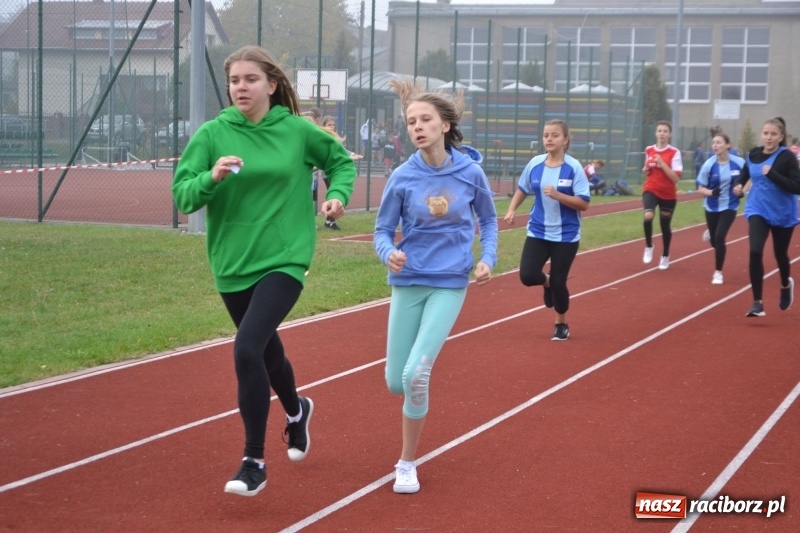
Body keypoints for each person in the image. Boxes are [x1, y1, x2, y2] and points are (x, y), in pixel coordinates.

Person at [171, 45, 355, 497]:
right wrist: (210, 178)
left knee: (246, 347)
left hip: (284, 258)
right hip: (232, 261)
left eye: (251, 79)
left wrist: (340, 196)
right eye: (235, 80)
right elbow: (183, 196)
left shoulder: (296, 131)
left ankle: (253, 461)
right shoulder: (213, 134)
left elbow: (340, 162)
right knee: (267, 352)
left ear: (271, 85)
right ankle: (297, 412)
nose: (241, 88)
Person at [374, 78, 498, 494]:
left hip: (450, 282)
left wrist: (487, 258)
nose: (417, 127)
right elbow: (381, 230)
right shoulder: (403, 177)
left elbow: (490, 220)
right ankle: (411, 380)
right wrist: (387, 251)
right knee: (396, 381)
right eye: (411, 121)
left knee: (416, 375)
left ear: (445, 125)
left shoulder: (471, 173)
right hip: (408, 281)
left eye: (425, 119)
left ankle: (406, 463)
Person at [504, 119, 591, 341]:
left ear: (565, 140)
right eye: (546, 135)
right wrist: (512, 209)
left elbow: (584, 203)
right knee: (527, 275)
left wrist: (559, 195)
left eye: (554, 135)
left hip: (566, 235)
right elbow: (523, 189)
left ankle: (560, 324)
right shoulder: (535, 164)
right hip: (538, 231)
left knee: (561, 282)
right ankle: (546, 282)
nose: (549, 139)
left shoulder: (573, 168)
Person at [732, 117, 800, 317]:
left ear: (781, 137)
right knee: (755, 251)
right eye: (766, 133)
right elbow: (745, 174)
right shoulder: (753, 154)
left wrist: (773, 175)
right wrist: (738, 185)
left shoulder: (786, 157)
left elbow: (797, 186)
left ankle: (786, 284)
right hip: (757, 209)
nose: (769, 137)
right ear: (761, 135)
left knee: (780, 254)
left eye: (773, 134)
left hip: (782, 212)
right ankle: (757, 302)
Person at [696, 126, 745, 285]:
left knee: (720, 237)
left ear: (728, 145)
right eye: (714, 143)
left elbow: (750, 178)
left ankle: (718, 272)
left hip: (730, 205)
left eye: (719, 143)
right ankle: (710, 232)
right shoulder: (708, 165)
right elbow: (700, 187)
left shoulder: (739, 163)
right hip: (711, 205)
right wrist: (710, 193)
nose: (715, 146)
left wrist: (742, 189)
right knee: (714, 241)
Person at [641, 121, 683, 269]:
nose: (662, 134)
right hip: (651, 188)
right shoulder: (649, 150)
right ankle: (648, 245)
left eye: (665, 131)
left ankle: (665, 255)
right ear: (656, 133)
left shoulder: (674, 152)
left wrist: (662, 163)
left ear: (669, 134)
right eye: (659, 131)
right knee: (648, 215)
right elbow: (648, 169)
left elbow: (676, 177)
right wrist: (646, 169)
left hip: (668, 193)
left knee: (665, 226)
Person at [319, 115, 363, 230]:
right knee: (332, 195)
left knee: (334, 195)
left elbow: (341, 150)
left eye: (333, 125)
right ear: (324, 126)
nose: (332, 127)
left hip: (336, 172)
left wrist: (352, 154)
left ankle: (330, 220)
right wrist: (350, 155)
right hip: (328, 172)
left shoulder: (335, 137)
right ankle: (330, 220)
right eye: (329, 125)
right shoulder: (322, 137)